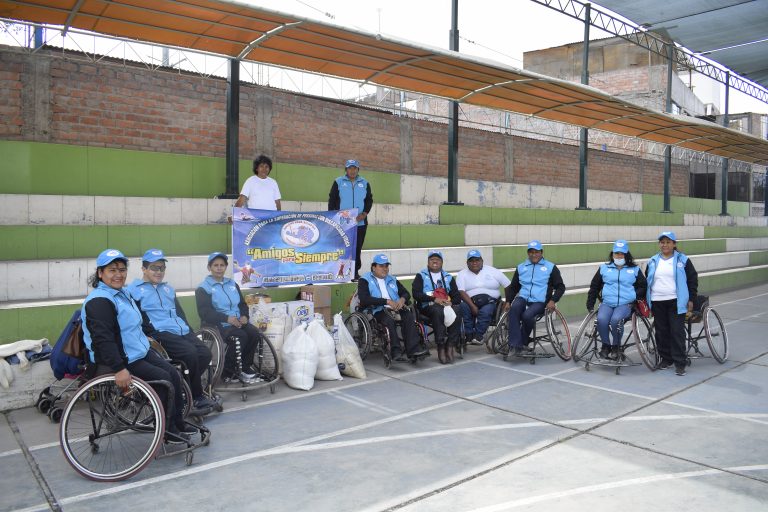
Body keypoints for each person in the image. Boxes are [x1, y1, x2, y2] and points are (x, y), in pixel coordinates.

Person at [81, 249, 195, 442]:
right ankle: (167, 431)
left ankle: (177, 421)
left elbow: (140, 321)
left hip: (137, 351)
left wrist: (152, 337)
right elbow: (103, 340)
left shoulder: (122, 293)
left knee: (173, 374)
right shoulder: (100, 300)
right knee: (163, 380)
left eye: (122, 269)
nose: (118, 274)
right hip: (118, 359)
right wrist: (119, 369)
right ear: (100, 273)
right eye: (112, 270)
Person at [127, 248, 217, 412]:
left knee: (205, 353)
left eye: (162, 268)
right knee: (189, 354)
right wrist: (149, 334)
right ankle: (196, 397)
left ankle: (185, 389)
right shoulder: (133, 290)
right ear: (144, 269)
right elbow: (138, 318)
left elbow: (179, 313)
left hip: (181, 331)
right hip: (158, 333)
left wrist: (189, 331)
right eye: (155, 267)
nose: (159, 272)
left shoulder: (168, 289)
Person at [195, 252, 260, 384]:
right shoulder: (203, 288)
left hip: (237, 321)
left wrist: (244, 316)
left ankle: (245, 367)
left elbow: (242, 304)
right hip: (217, 324)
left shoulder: (232, 284)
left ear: (225, 267)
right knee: (240, 336)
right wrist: (226, 318)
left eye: (222, 265)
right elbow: (204, 312)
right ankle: (229, 371)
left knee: (254, 333)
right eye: (215, 265)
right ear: (209, 268)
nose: (219, 268)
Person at [358, 253, 428, 362]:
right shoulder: (365, 279)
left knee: (409, 315)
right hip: (377, 310)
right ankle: (395, 352)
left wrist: (402, 300)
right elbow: (364, 299)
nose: (385, 269)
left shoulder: (392, 279)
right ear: (373, 267)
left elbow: (405, 293)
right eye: (381, 266)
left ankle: (413, 350)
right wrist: (386, 301)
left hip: (395, 307)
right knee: (388, 320)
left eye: (386, 266)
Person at [646, 231, 698, 376]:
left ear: (674, 244)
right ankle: (666, 359)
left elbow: (692, 279)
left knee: (677, 332)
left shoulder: (683, 260)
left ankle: (680, 362)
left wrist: (691, 299)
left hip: (676, 301)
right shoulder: (653, 260)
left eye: (668, 242)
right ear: (659, 244)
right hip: (657, 301)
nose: (665, 245)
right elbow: (648, 280)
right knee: (661, 332)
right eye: (662, 242)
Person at [586, 240, 648, 361]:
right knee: (601, 320)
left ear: (626, 255)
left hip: (625, 304)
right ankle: (605, 346)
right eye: (616, 253)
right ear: (612, 254)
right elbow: (594, 286)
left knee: (616, 320)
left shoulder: (634, 269)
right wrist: (590, 303)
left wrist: (634, 295)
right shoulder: (604, 268)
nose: (619, 256)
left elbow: (643, 286)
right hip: (607, 303)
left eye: (622, 253)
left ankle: (616, 347)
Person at [506, 241, 566, 356]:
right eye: (531, 252)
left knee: (527, 315)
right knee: (514, 309)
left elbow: (560, 287)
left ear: (541, 252)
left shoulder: (550, 267)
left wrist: (553, 300)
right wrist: (508, 301)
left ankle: (522, 342)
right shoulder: (521, 267)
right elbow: (514, 287)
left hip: (540, 301)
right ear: (528, 253)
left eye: (537, 252)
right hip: (523, 297)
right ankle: (515, 346)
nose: (534, 255)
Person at [412, 250, 462, 364]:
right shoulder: (421, 275)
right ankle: (440, 345)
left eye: (438, 259)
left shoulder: (448, 277)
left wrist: (451, 302)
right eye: (432, 259)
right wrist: (434, 299)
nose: (435, 261)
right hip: (427, 306)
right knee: (437, 310)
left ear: (442, 262)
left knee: (459, 308)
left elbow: (457, 296)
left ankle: (450, 344)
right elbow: (416, 294)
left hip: (446, 305)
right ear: (428, 262)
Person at [328, 159, 373, 281]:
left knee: (357, 248)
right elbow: (332, 200)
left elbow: (369, 200)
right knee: (342, 247)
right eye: (350, 168)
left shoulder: (364, 183)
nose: (352, 171)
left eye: (354, 168)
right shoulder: (338, 182)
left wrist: (364, 213)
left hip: (360, 222)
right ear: (346, 170)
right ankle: (339, 271)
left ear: (358, 170)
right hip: (342, 223)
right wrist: (334, 218)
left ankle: (354, 273)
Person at [457, 249, 512, 346]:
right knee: (463, 307)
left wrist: (508, 302)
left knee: (486, 310)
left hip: (490, 302)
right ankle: (469, 335)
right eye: (471, 260)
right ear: (467, 263)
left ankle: (478, 336)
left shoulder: (492, 271)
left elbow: (508, 285)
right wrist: (472, 306)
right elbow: (461, 291)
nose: (474, 263)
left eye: (477, 260)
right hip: (470, 301)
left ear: (482, 261)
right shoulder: (462, 274)